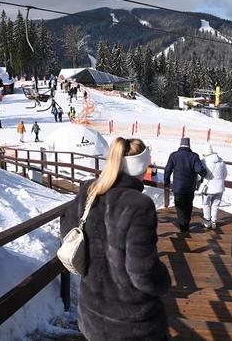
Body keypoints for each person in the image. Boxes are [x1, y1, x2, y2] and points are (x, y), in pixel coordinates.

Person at [60, 137, 170, 340]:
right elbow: (142, 272)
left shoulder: (89, 192)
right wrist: (163, 279)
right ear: (142, 166)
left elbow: (66, 231)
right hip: (132, 324)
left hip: (92, 315)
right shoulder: (139, 205)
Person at [164, 137, 207, 232]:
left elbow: (167, 170)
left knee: (179, 207)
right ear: (189, 145)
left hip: (178, 187)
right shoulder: (194, 156)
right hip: (190, 187)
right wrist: (204, 173)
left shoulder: (173, 155)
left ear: (180, 145)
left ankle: (183, 226)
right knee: (188, 205)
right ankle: (186, 224)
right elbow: (199, 170)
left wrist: (166, 182)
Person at [198, 144, 227, 229]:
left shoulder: (204, 161)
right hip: (220, 187)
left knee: (206, 204)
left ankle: (207, 222)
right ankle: (214, 222)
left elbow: (200, 174)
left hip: (208, 188)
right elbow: (225, 174)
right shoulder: (221, 161)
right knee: (215, 205)